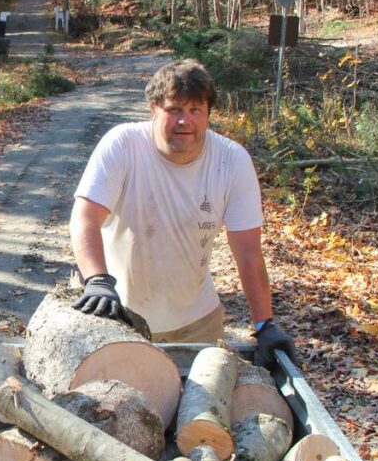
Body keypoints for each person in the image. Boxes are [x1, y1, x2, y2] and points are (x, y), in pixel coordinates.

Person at [69, 59, 294, 366]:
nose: (184, 121)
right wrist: (97, 280)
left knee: (204, 407)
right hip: (120, 315)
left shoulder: (231, 161)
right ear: (153, 109)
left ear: (208, 114)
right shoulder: (124, 145)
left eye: (195, 110)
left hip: (197, 321)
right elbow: (85, 217)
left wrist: (263, 324)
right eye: (174, 109)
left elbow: (248, 252)